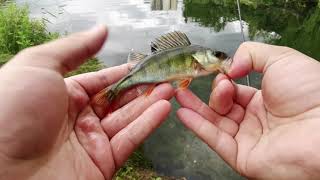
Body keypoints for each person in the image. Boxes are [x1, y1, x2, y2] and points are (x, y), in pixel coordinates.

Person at [0, 25, 319, 180]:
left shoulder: (195, 65)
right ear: (203, 59)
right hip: (147, 71)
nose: (222, 59)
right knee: (152, 92)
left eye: (221, 56)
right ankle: (118, 89)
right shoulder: (194, 62)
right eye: (218, 56)